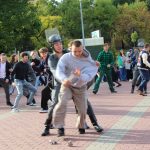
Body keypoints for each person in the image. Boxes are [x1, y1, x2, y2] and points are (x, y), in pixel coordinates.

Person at [41, 36, 103, 136]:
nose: (59, 46)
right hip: (60, 82)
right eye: (56, 44)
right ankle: (47, 126)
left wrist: (94, 63)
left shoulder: (69, 52)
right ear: (52, 46)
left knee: (84, 103)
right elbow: (54, 71)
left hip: (76, 81)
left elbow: (84, 56)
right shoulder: (51, 57)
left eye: (60, 43)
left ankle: (94, 123)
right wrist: (64, 80)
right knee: (57, 102)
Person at [38, 47, 53, 113]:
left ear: (47, 52)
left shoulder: (51, 58)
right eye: (42, 53)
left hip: (54, 79)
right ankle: (57, 105)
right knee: (48, 93)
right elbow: (40, 68)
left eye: (44, 53)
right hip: (49, 79)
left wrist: (46, 70)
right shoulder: (42, 60)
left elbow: (53, 68)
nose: (43, 54)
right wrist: (33, 67)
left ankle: (44, 108)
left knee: (44, 92)